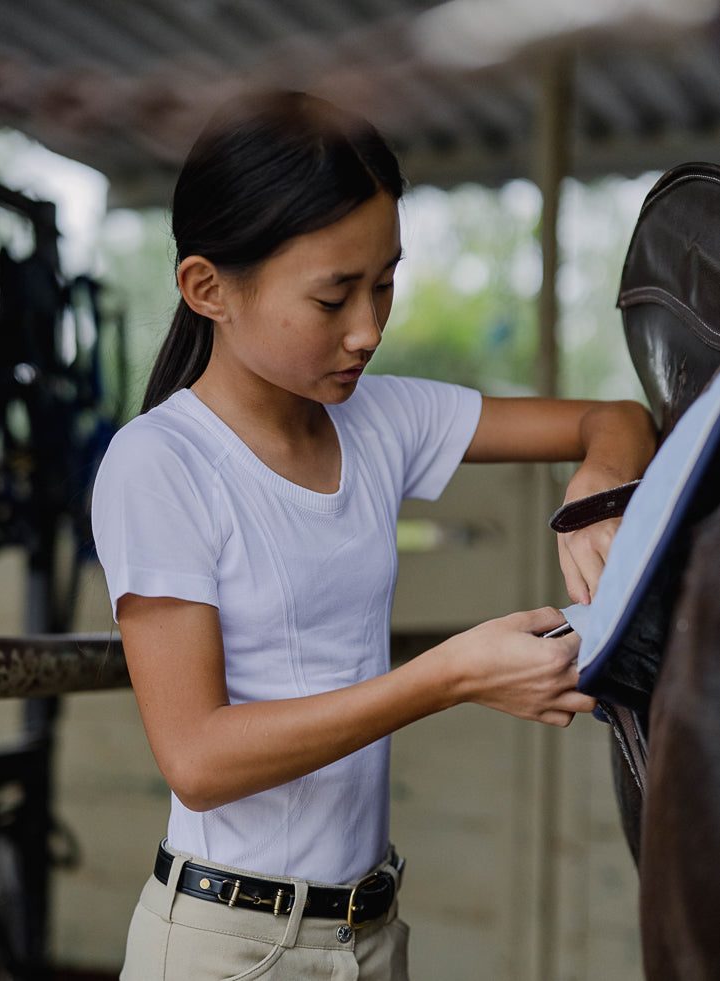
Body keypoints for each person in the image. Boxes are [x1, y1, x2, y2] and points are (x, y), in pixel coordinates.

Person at [90, 90, 656, 980]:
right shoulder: (160, 462)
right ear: (207, 289)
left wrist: (601, 492)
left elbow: (613, 416)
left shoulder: (379, 418)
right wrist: (447, 675)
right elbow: (197, 757)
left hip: (366, 932)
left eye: (384, 282)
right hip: (228, 946)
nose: (368, 329)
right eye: (332, 296)